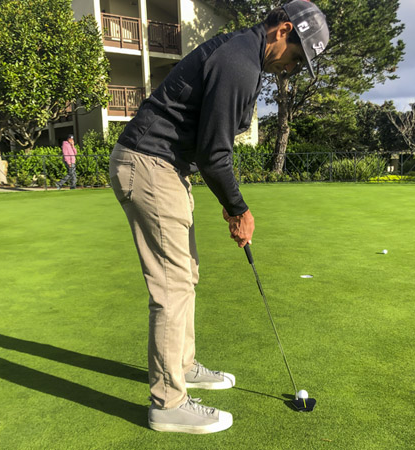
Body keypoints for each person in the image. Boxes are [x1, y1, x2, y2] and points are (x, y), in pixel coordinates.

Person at [108, 0, 329, 434]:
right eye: (297, 56)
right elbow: (215, 155)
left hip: (164, 165)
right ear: (282, 31)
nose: (293, 68)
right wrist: (238, 208)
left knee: (184, 275)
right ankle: (168, 404)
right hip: (151, 163)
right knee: (171, 285)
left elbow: (210, 148)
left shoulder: (243, 53)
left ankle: (183, 366)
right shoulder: (239, 63)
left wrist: (231, 205)